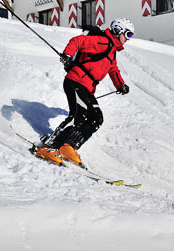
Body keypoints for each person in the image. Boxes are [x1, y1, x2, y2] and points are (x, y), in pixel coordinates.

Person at [36, 17, 134, 166]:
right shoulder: (102, 41)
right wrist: (68, 55)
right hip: (76, 81)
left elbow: (113, 69)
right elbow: (78, 41)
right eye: (128, 34)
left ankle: (68, 146)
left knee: (96, 118)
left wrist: (120, 85)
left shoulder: (111, 51)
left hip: (87, 87)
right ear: (118, 31)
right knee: (77, 115)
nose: (128, 39)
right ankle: (49, 147)